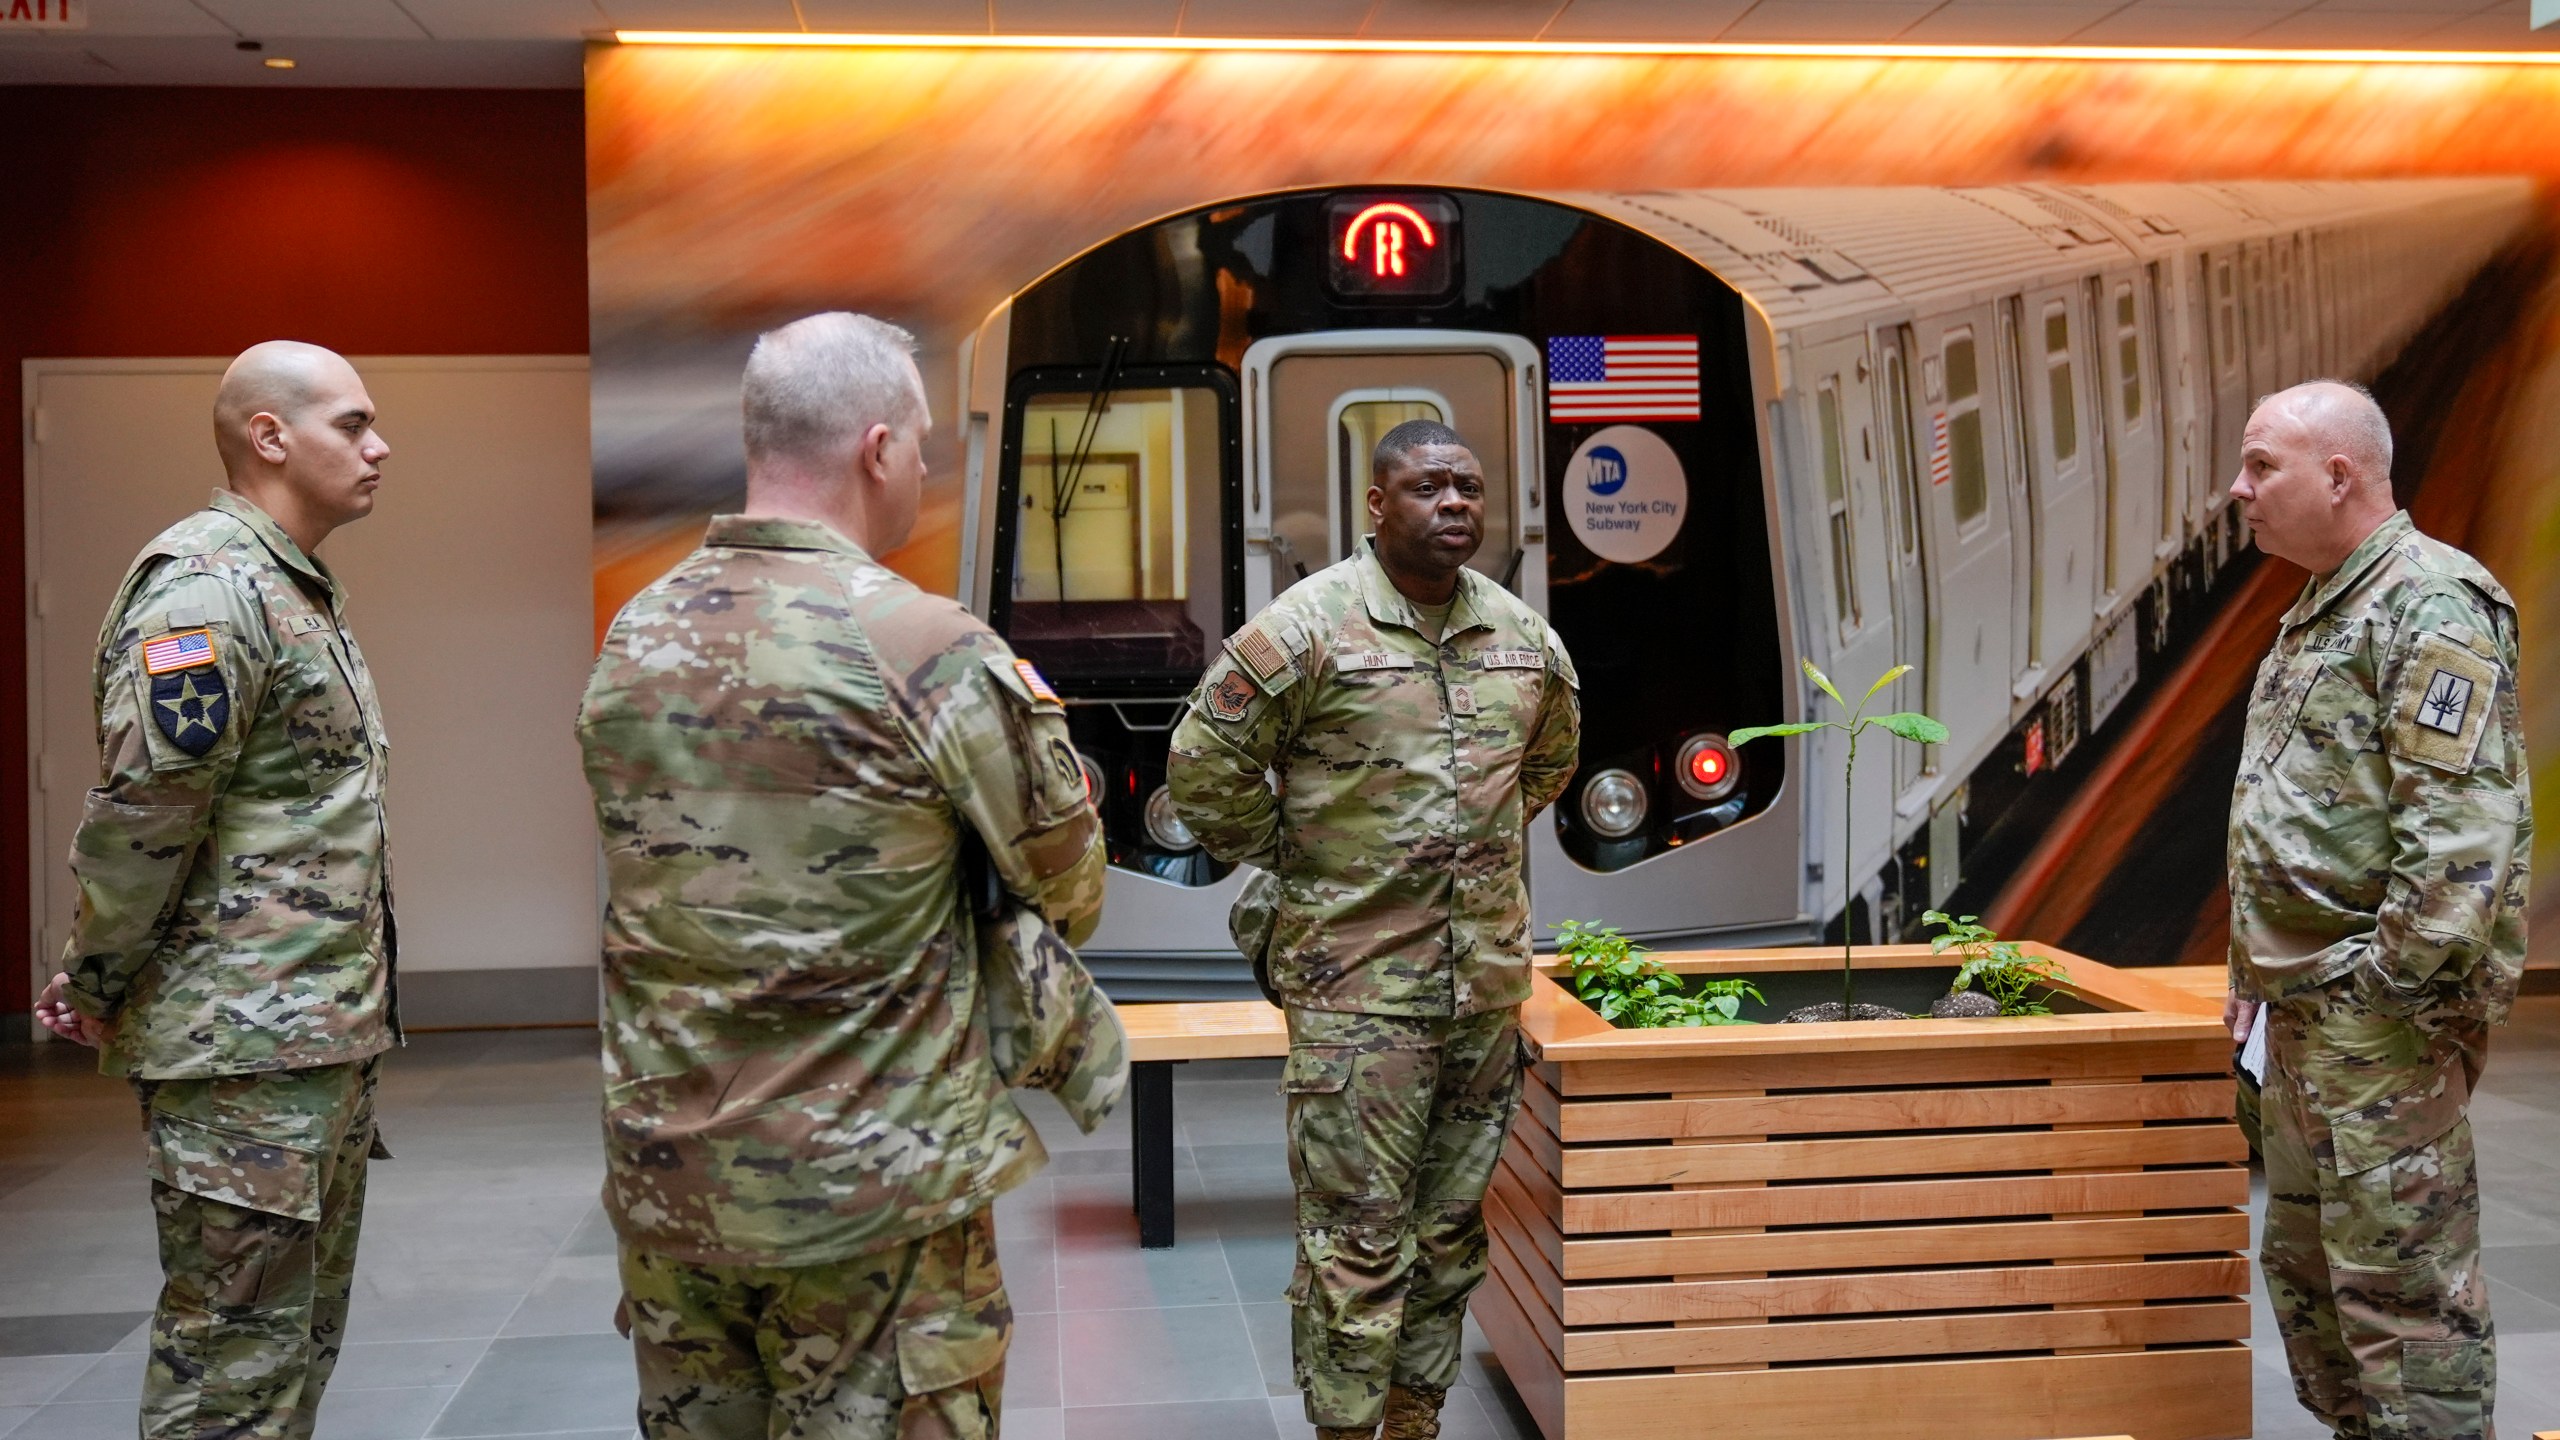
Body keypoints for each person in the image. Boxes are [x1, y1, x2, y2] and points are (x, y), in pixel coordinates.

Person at [576, 312, 1107, 1440]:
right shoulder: (924, 645)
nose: (922, 468)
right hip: (873, 1204)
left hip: (673, 1185)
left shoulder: (633, 636)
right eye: (919, 444)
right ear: (875, 449)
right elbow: (1071, 890)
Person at [1166, 419, 1581, 1440]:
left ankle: (1412, 1420)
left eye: (1469, 489)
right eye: (1428, 487)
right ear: (1376, 505)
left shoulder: (1523, 641)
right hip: (1356, 997)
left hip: (1480, 993)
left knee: (1447, 1235)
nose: (1454, 505)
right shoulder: (1308, 628)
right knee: (1356, 1239)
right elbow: (1202, 770)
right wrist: (1313, 855)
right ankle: (1347, 1429)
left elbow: (1546, 764)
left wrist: (1457, 852)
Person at [34, 341, 400, 1440]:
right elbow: (145, 814)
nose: (380, 446)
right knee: (231, 1372)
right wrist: (96, 970)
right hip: (244, 1053)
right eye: (352, 423)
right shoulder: (204, 590)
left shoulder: (289, 584)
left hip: (308, 1041)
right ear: (269, 436)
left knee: (285, 1353)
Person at [2224, 380, 2531, 1440]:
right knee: (2316, 1291)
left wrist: (2380, 999)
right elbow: (2294, 818)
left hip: (2372, 1027)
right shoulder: (2328, 604)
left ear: (2339, 474)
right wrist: (2252, 979)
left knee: (2402, 1304)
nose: (2240, 488)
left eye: (2261, 466)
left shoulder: (2428, 604)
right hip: (2306, 1018)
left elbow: (2460, 841)